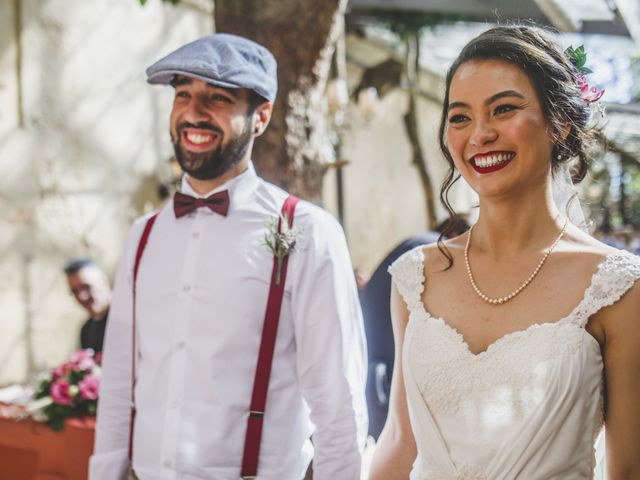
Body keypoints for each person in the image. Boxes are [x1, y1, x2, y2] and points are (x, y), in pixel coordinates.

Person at [90, 34, 367, 480]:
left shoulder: (307, 232)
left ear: (261, 116)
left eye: (217, 98)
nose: (193, 113)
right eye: (183, 95)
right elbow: (119, 386)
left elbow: (340, 405)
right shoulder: (143, 236)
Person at [370, 24, 640, 479]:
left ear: (560, 123)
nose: (479, 134)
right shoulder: (415, 278)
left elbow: (629, 468)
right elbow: (399, 441)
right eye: (460, 117)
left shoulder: (617, 287)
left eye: (504, 109)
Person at [361, 217, 469, 441]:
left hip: (375, 363)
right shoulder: (432, 252)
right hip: (395, 370)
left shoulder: (412, 245)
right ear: (456, 234)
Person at [64, 258, 112, 354]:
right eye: (75, 291)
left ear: (103, 281)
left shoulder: (130, 316)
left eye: (86, 287)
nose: (82, 297)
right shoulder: (86, 330)